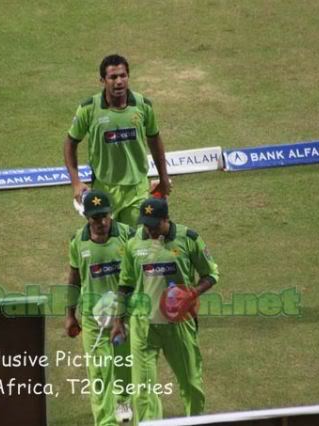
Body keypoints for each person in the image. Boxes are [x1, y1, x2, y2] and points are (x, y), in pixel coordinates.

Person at [111, 198, 219, 422]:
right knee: (143, 391)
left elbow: (211, 275)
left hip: (178, 325)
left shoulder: (188, 239)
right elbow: (126, 284)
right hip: (143, 327)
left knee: (191, 385)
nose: (148, 229)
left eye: (153, 224)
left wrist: (193, 293)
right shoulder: (133, 243)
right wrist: (118, 320)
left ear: (166, 219)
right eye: (145, 224)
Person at [63, 54, 172, 227]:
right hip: (103, 190)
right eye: (113, 77)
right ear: (102, 80)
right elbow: (70, 143)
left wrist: (164, 178)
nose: (119, 81)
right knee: (108, 242)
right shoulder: (89, 109)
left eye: (123, 76)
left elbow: (154, 139)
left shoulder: (142, 105)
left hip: (137, 189)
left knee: (137, 243)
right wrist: (76, 182)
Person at [66, 190, 135, 425]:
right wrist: (69, 315)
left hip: (124, 317)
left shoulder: (128, 235)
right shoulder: (78, 241)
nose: (102, 222)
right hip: (93, 320)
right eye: (96, 218)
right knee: (98, 373)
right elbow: (74, 278)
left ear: (111, 214)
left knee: (123, 365)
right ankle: (104, 421)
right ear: (87, 217)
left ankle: (123, 401)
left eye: (105, 216)